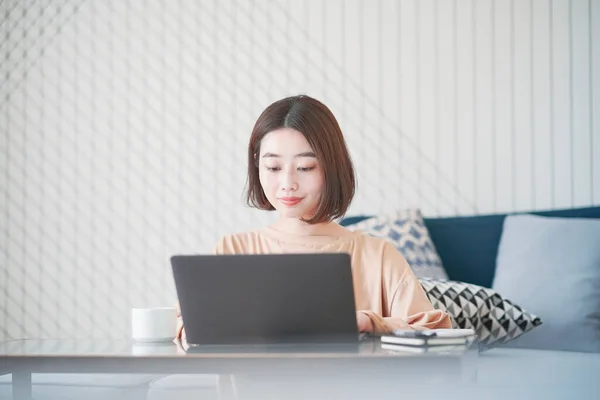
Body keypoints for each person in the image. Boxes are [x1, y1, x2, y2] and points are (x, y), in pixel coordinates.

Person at [176, 94, 451, 340]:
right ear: (257, 164)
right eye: (273, 166)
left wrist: (369, 321)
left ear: (331, 168)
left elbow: (436, 332)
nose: (288, 183)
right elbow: (186, 331)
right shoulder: (233, 251)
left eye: (305, 167)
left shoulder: (377, 255)